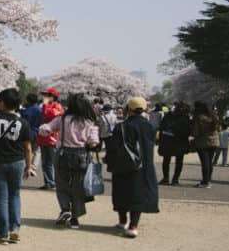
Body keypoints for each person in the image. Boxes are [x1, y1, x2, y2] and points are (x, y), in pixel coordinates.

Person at [0, 88, 36, 244]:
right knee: (15, 195)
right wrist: (29, 166)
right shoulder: (23, 122)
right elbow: (28, 147)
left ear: (1, 102)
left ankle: (2, 232)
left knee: (0, 198)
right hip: (17, 162)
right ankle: (15, 228)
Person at [40, 94, 100, 229]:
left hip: (62, 154)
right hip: (81, 156)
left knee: (62, 184)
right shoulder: (89, 122)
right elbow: (93, 142)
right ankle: (75, 219)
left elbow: (44, 130)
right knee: (78, 187)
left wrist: (49, 132)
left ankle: (65, 208)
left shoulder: (61, 119)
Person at [108, 98, 159, 238]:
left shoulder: (121, 126)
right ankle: (133, 226)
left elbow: (113, 147)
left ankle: (122, 221)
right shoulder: (150, 126)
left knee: (121, 193)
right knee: (138, 195)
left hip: (122, 166)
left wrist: (109, 162)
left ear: (128, 109)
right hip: (143, 166)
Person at [35, 88, 64, 190]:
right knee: (45, 162)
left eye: (48, 95)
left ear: (53, 96)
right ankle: (48, 182)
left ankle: (57, 183)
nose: (45, 97)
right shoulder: (44, 105)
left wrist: (45, 105)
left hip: (53, 139)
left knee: (54, 162)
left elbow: (51, 115)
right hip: (43, 137)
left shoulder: (58, 106)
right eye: (45, 95)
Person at [157, 102, 191, 185]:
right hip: (180, 142)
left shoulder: (168, 116)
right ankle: (175, 179)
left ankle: (166, 178)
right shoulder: (185, 117)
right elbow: (188, 131)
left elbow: (161, 127)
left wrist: (161, 139)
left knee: (166, 160)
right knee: (179, 161)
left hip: (168, 140)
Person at [190, 102, 221, 188]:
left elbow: (196, 132)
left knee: (205, 163)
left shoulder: (200, 118)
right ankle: (208, 180)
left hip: (203, 142)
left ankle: (205, 182)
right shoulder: (214, 117)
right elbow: (219, 129)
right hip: (214, 142)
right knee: (209, 162)